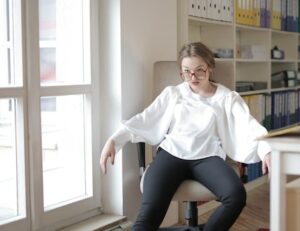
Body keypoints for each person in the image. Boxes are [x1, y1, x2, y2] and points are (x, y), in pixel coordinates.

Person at [99, 42, 271, 231]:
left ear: (210, 67)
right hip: (171, 155)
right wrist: (114, 140)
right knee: (144, 224)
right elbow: (144, 119)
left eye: (199, 70)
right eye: (186, 71)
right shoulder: (173, 93)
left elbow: (249, 125)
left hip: (207, 158)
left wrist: (266, 150)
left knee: (236, 196)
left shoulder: (227, 98)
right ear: (181, 72)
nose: (193, 77)